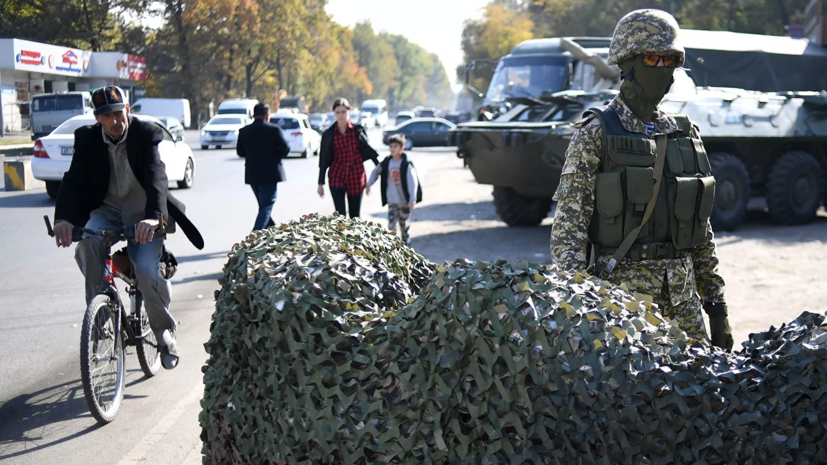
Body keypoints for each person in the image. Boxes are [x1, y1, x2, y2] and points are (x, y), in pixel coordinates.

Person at [549, 9, 733, 350]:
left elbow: (700, 232)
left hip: (683, 309)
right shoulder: (596, 134)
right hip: (621, 311)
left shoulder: (684, 133)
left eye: (670, 60)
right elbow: (568, 235)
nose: (662, 69)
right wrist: (580, 313)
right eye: (651, 58)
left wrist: (717, 308)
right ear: (627, 63)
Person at [53, 86, 204, 369]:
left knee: (146, 269)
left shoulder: (145, 133)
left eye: (117, 113)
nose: (113, 121)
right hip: (107, 210)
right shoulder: (86, 138)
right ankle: (99, 321)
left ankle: (164, 333)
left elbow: (156, 176)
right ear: (98, 119)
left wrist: (153, 217)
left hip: (143, 211)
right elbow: (73, 179)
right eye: (106, 116)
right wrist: (63, 218)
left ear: (128, 109)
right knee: (87, 244)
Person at [317, 98, 379, 218]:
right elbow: (323, 159)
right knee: (340, 215)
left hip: (356, 175)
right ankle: (341, 237)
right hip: (337, 175)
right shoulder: (329, 134)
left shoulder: (358, 130)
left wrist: (379, 166)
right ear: (334, 113)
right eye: (338, 112)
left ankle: (355, 237)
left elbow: (368, 150)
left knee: (355, 216)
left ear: (349, 112)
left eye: (343, 112)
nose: (341, 115)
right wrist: (320, 184)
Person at [237, 102, 290, 231]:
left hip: (252, 174)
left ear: (254, 115)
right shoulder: (274, 129)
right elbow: (285, 149)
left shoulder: (244, 131)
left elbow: (240, 152)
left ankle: (275, 233)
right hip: (270, 174)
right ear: (267, 116)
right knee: (266, 206)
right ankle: (254, 237)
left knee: (264, 206)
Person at [366, 134, 421, 245]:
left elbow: (412, 183)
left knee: (404, 226)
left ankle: (406, 247)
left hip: (404, 202)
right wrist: (368, 184)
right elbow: (376, 172)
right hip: (392, 200)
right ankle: (393, 248)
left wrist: (412, 200)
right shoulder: (386, 162)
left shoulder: (406, 164)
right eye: (391, 146)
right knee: (391, 226)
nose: (392, 149)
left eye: (395, 146)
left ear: (402, 148)